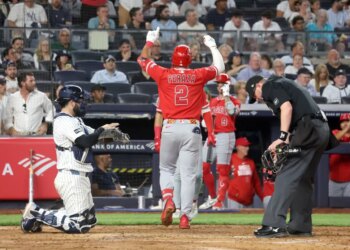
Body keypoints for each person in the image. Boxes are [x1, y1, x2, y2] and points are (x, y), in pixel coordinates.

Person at [137, 27, 224, 228]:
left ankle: (168, 198)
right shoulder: (197, 75)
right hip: (192, 129)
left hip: (169, 127)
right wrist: (212, 46)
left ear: (174, 59)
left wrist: (150, 41)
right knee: (188, 175)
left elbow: (142, 61)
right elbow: (219, 66)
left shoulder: (164, 74)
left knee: (166, 168)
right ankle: (185, 217)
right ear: (189, 60)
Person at [20, 85, 119, 233]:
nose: (83, 103)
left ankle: (40, 216)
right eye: (80, 100)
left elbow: (98, 137)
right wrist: (102, 129)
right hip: (71, 176)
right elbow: (84, 142)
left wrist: (114, 134)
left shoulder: (76, 121)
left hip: (82, 177)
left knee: (90, 220)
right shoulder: (63, 121)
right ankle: (35, 213)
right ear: (72, 102)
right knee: (78, 226)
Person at [246, 74, 330, 238]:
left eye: (255, 96)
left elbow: (287, 108)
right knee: (303, 178)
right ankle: (300, 225)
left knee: (286, 175)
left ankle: (274, 224)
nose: (258, 100)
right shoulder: (284, 82)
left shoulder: (269, 85)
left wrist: (282, 137)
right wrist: (287, 142)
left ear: (257, 86)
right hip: (320, 129)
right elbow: (296, 116)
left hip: (308, 128)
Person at [200, 73, 241, 210]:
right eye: (219, 85)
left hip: (226, 135)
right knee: (204, 168)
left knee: (222, 170)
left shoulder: (235, 101)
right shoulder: (212, 102)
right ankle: (212, 197)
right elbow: (206, 120)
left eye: (223, 85)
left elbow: (231, 112)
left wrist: (227, 96)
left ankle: (219, 201)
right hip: (213, 136)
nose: (220, 87)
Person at [4, 71, 54, 136]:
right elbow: (7, 118)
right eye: (31, 81)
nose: (34, 83)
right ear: (23, 83)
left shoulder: (41, 96)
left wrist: (46, 124)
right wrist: (11, 129)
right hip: (18, 136)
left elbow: (52, 110)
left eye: (34, 80)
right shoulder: (12, 98)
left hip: (37, 136)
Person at [227, 137, 263, 209]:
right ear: (238, 147)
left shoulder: (250, 162)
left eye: (248, 146)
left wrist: (263, 198)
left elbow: (256, 183)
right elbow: (223, 177)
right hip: (235, 200)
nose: (248, 148)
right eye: (245, 146)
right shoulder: (230, 160)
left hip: (249, 201)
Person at [329, 113, 350, 197]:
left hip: (349, 181)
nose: (345, 123)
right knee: (331, 208)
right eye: (342, 122)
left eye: (347, 121)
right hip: (334, 180)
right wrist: (346, 129)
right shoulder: (336, 132)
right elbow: (333, 140)